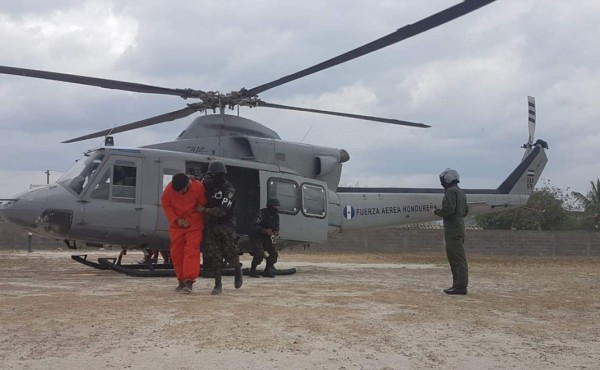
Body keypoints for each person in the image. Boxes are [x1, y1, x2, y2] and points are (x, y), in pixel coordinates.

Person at [198, 160, 243, 295]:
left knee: (230, 253)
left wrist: (205, 210)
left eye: (213, 175)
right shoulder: (208, 185)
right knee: (214, 255)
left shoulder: (229, 190)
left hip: (226, 225)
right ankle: (218, 284)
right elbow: (198, 185)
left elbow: (222, 211)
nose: (211, 177)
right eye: (210, 175)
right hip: (211, 225)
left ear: (221, 175)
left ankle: (237, 269)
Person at [161, 173, 207, 294]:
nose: (181, 193)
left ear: (188, 184)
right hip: (177, 225)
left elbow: (202, 205)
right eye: (179, 191)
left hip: (194, 224)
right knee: (176, 253)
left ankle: (189, 281)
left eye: (182, 191)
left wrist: (190, 220)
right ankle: (181, 280)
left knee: (191, 251)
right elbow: (166, 204)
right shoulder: (170, 188)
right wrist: (176, 219)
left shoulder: (198, 187)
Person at [433, 168, 469, 295]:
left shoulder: (450, 192)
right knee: (458, 257)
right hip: (459, 226)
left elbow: (448, 210)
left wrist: (436, 212)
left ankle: (460, 286)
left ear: (447, 178)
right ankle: (458, 285)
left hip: (452, 228)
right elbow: (465, 211)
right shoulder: (460, 192)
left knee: (456, 258)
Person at [248, 198, 280, 278]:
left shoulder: (276, 216)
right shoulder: (261, 214)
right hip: (256, 236)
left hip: (266, 237)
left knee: (274, 253)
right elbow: (254, 227)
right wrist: (264, 231)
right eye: (274, 206)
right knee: (260, 254)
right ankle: (252, 270)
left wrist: (275, 232)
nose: (276, 209)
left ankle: (267, 270)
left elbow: (276, 227)